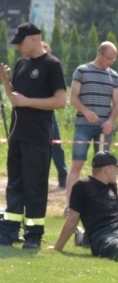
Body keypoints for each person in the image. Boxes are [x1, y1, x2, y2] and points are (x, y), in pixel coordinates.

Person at [0, 23, 67, 249]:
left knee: (35, 187)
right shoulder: (21, 63)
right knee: (15, 185)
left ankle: (33, 236)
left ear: (34, 39)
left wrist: (28, 102)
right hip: (17, 136)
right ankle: (8, 232)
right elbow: (15, 98)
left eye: (21, 41)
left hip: (37, 138)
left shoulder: (52, 65)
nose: (18, 46)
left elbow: (60, 101)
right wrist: (5, 81)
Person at [64, 42, 118, 207]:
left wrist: (110, 121)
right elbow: (73, 97)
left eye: (113, 59)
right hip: (83, 125)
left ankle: (101, 203)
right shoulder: (82, 71)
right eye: (109, 58)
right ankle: (70, 204)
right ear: (100, 54)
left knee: (104, 167)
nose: (111, 62)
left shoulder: (114, 76)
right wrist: (86, 111)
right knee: (77, 163)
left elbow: (117, 103)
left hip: (105, 128)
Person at [40, 41, 68, 189]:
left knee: (56, 146)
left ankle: (63, 176)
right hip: (33, 115)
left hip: (49, 114)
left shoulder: (54, 68)